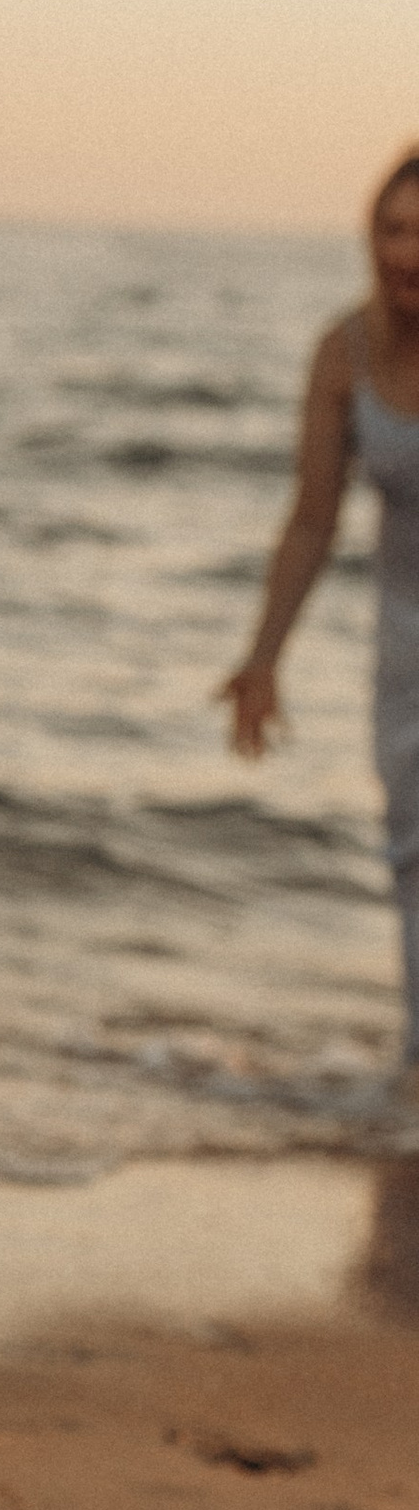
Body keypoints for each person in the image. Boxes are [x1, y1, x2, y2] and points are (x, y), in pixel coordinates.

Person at [221, 149, 419, 1098]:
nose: (408, 250)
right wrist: (263, 657)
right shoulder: (344, 352)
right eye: (393, 228)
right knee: (412, 850)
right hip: (405, 638)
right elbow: (311, 518)